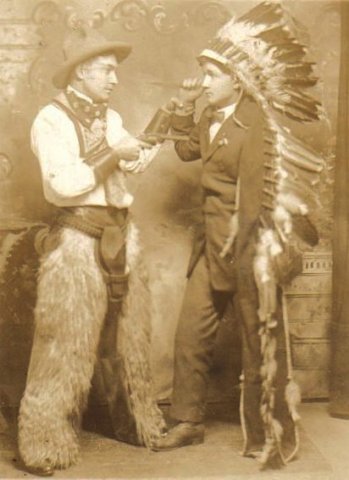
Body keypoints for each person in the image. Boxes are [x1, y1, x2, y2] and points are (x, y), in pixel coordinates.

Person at [152, 1, 323, 468]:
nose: (204, 81)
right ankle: (187, 421)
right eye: (203, 73)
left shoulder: (257, 126)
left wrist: (259, 260)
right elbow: (189, 151)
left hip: (248, 249)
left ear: (236, 78)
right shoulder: (212, 114)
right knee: (190, 336)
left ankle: (271, 433)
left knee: (260, 343)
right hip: (211, 249)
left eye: (210, 74)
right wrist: (185, 108)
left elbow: (260, 203)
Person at [17, 27, 164, 476]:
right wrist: (112, 153)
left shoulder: (110, 116)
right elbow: (62, 186)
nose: (114, 80)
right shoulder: (51, 119)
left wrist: (152, 138)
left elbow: (129, 167)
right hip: (78, 240)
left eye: (114, 72)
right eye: (106, 71)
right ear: (81, 72)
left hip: (120, 237)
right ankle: (41, 443)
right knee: (64, 344)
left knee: (129, 339)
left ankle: (137, 424)